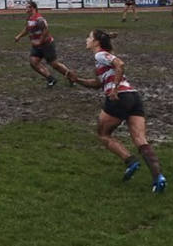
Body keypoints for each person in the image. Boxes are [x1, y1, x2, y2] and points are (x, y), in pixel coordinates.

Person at [71, 30, 166, 193]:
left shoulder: (100, 55)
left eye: (89, 37)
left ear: (96, 43)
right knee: (140, 140)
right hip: (133, 97)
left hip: (119, 97)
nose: (86, 39)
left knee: (103, 134)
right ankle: (158, 177)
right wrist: (77, 80)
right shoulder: (103, 58)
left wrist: (114, 89)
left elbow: (120, 64)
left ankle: (130, 161)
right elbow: (97, 83)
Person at [14, 1, 75, 88]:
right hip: (36, 46)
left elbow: (46, 31)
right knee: (33, 62)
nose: (26, 9)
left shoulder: (39, 19)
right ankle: (50, 79)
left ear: (33, 8)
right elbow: (27, 29)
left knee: (54, 64)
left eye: (28, 7)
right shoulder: (29, 18)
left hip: (46, 45)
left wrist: (40, 41)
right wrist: (19, 36)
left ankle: (71, 76)